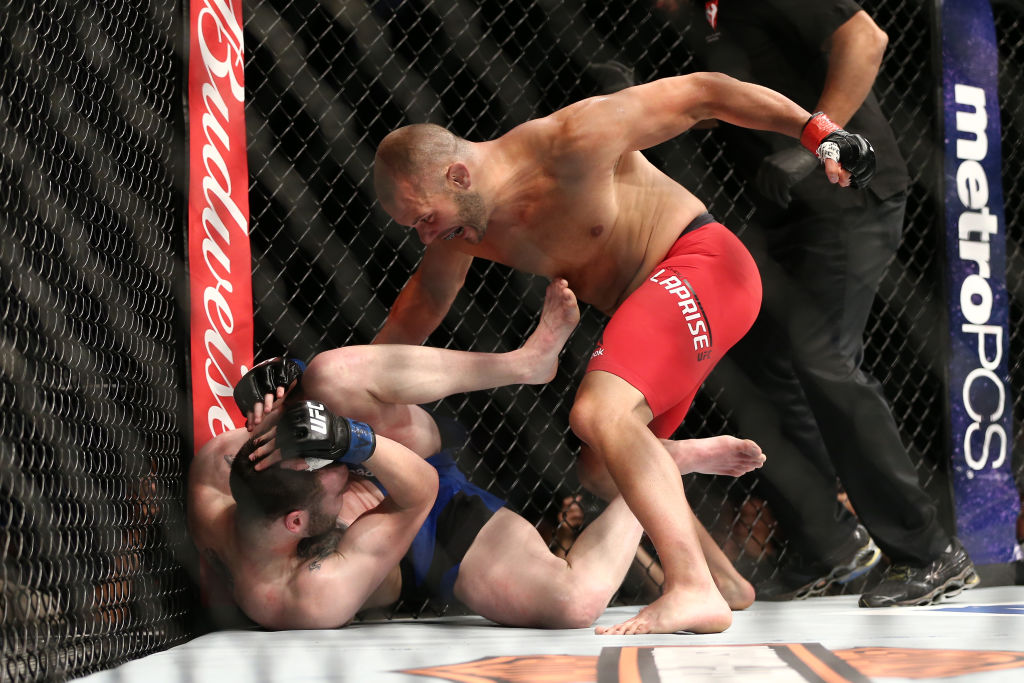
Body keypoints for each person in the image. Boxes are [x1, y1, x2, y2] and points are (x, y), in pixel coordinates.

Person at [371, 71, 873, 633]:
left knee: (599, 413)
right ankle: (725, 581)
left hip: (704, 264)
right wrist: (356, 393)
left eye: (423, 217)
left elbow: (703, 92)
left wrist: (819, 132)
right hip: (654, 309)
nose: (423, 236)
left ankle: (689, 586)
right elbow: (422, 303)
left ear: (458, 175)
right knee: (602, 467)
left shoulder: (570, 140)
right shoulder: (461, 228)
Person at [186, 280, 767, 630]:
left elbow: (257, 468)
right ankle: (668, 463)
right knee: (572, 602)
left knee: (328, 376)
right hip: (418, 519)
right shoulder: (305, 595)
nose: (336, 473)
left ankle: (524, 363)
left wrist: (279, 422)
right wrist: (350, 443)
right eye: (327, 477)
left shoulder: (222, 473)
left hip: (408, 455)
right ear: (295, 525)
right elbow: (418, 491)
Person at [655, 0, 977, 607]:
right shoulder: (707, 20)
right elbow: (721, 103)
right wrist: (636, 108)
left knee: (823, 359)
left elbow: (865, 39)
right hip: (787, 217)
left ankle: (927, 550)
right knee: (761, 365)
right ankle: (828, 548)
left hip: (849, 194)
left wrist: (819, 144)